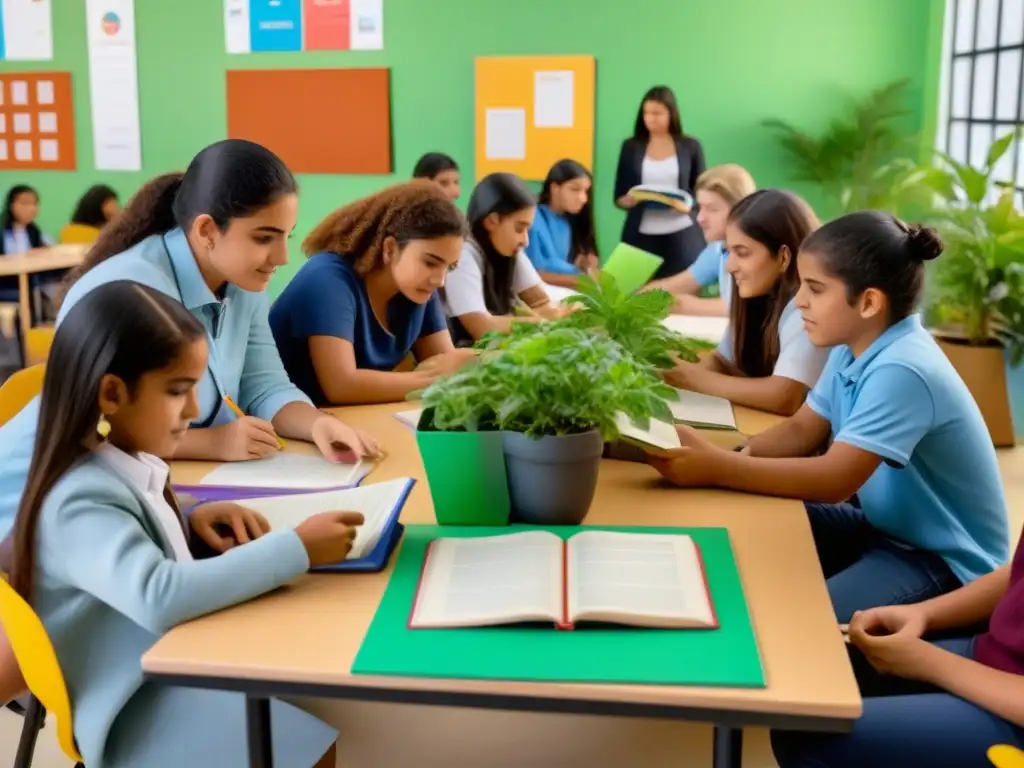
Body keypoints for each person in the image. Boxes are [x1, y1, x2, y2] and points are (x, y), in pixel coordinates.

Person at [4, 280, 358, 768]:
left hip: (163, 664)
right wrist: (297, 548)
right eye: (178, 392)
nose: (194, 412)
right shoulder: (76, 498)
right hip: (134, 704)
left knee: (317, 714)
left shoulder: (113, 463)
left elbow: (126, 541)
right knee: (316, 741)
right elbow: (159, 594)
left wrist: (185, 522)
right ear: (112, 392)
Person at [0, 138, 380, 543]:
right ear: (206, 230)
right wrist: (214, 441)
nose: (282, 256)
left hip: (154, 487)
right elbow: (97, 427)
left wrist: (318, 424)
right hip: (41, 513)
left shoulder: (243, 281)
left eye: (287, 235)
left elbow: (264, 384)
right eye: (264, 237)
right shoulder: (132, 293)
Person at [647, 211, 1010, 623]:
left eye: (815, 289)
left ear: (870, 302)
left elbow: (834, 479)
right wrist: (722, 453)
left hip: (942, 560)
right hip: (883, 529)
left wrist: (718, 466)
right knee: (736, 517)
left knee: (801, 625)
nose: (798, 300)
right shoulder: (850, 346)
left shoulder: (903, 368)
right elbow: (802, 429)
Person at [772, 525, 1024, 766]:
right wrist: (924, 613)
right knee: (806, 693)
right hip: (992, 657)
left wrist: (927, 662)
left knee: (815, 738)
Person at [270, 181, 477, 405]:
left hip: (346, 422)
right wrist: (437, 379)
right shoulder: (328, 278)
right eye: (430, 262)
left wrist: (462, 367)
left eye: (450, 267)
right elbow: (342, 386)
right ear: (389, 248)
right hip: (285, 427)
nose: (440, 280)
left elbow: (445, 364)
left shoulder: (419, 287)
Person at [664, 189, 828, 416]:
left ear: (783, 257)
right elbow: (723, 360)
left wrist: (689, 378)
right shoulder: (754, 297)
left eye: (742, 253)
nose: (729, 266)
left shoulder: (805, 309)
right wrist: (672, 373)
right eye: (728, 252)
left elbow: (783, 396)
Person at [443, 172, 563, 345]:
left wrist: (550, 316)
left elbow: (541, 302)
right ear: (492, 221)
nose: (525, 241)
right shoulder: (463, 255)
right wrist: (540, 322)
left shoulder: (510, 251)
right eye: (519, 229)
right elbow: (482, 328)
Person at [613, 86, 707, 279]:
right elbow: (619, 195)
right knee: (636, 293)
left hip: (682, 232)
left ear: (671, 114)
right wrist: (627, 200)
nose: (650, 118)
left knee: (679, 296)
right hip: (640, 234)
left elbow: (702, 192)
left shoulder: (691, 146)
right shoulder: (631, 146)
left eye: (657, 113)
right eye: (646, 113)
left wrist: (688, 206)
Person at [646, 164, 756, 316]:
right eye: (700, 208)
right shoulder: (717, 250)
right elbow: (678, 284)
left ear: (740, 210)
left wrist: (686, 305)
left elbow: (749, 309)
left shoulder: (759, 251)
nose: (700, 218)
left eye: (712, 209)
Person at [524, 159, 599, 288]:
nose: (583, 198)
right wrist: (580, 282)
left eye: (586, 191)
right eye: (575, 189)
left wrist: (584, 265)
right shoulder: (533, 220)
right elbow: (532, 275)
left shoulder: (570, 221)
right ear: (555, 188)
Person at [0, 185, 57, 310]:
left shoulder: (33, 230)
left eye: (35, 204)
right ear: (11, 205)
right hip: (6, 283)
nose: (32, 209)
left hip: (28, 280)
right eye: (25, 204)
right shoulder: (2, 230)